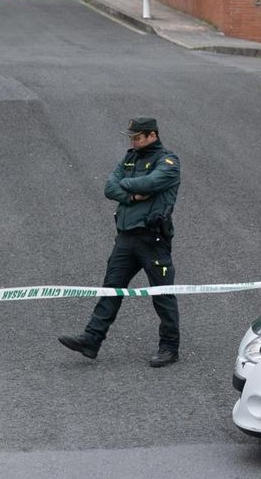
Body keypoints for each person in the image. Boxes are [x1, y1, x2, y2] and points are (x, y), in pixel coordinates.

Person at [59, 117, 182, 367]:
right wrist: (134, 194)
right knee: (110, 290)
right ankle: (91, 340)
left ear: (152, 135)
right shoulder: (130, 159)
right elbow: (108, 187)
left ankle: (169, 347)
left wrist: (124, 186)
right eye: (131, 137)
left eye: (137, 137)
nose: (133, 141)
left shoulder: (168, 162)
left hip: (152, 239)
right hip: (126, 238)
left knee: (162, 294)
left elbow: (151, 182)